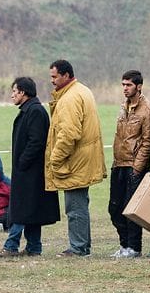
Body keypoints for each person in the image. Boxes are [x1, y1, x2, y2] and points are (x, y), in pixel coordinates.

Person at [45, 59, 105, 257]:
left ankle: (78, 247)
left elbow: (69, 134)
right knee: (80, 204)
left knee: (74, 207)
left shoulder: (69, 98)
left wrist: (55, 159)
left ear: (66, 75)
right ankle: (83, 246)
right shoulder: (82, 90)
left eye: (54, 76)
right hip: (84, 159)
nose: (52, 80)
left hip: (76, 161)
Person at [0, 77, 59, 257]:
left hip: (31, 172)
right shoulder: (29, 110)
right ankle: (34, 247)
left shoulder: (35, 111)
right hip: (27, 171)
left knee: (21, 210)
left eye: (14, 91)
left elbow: (36, 141)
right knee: (32, 211)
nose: (12, 95)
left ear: (23, 92)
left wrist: (22, 162)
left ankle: (11, 245)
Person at [108, 70, 150, 258]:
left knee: (131, 208)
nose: (125, 89)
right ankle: (124, 245)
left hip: (135, 165)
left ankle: (134, 247)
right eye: (123, 85)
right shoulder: (123, 106)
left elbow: (147, 140)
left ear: (139, 86)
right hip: (119, 162)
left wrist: (138, 167)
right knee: (114, 207)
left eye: (128, 85)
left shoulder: (148, 109)